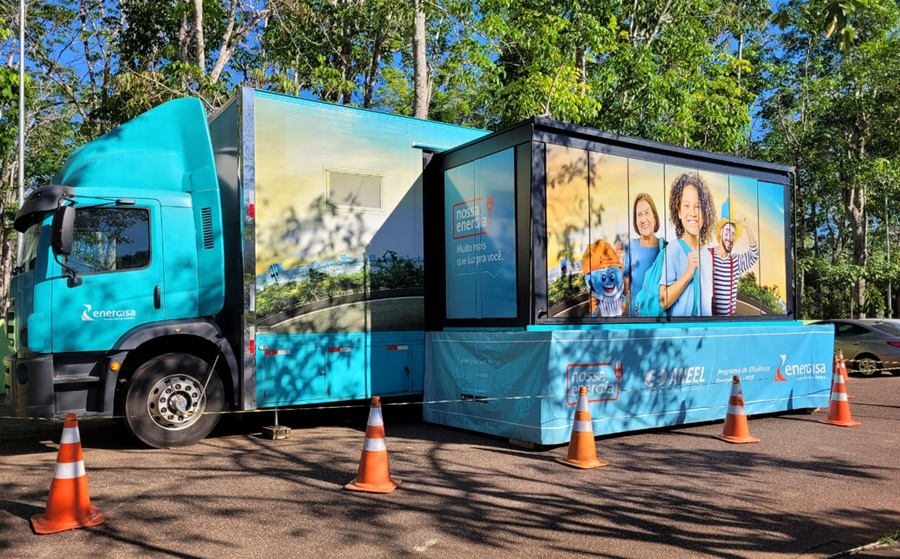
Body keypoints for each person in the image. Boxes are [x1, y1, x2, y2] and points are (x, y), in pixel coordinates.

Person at [660, 172, 716, 316]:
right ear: (678, 212)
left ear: (705, 213)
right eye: (686, 206)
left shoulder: (707, 255)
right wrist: (688, 273)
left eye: (697, 206)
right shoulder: (673, 250)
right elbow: (663, 301)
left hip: (704, 335)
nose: (692, 213)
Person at [711, 198, 759, 315]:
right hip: (710, 322)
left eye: (733, 234)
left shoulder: (736, 261)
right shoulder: (706, 255)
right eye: (727, 232)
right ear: (721, 232)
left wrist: (748, 228)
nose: (730, 237)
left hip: (728, 323)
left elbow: (754, 255)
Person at [624, 193, 662, 316]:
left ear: (655, 217)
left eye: (647, 213)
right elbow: (624, 290)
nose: (643, 219)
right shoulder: (631, 247)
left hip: (658, 320)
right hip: (636, 319)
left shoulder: (665, 249)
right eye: (639, 215)